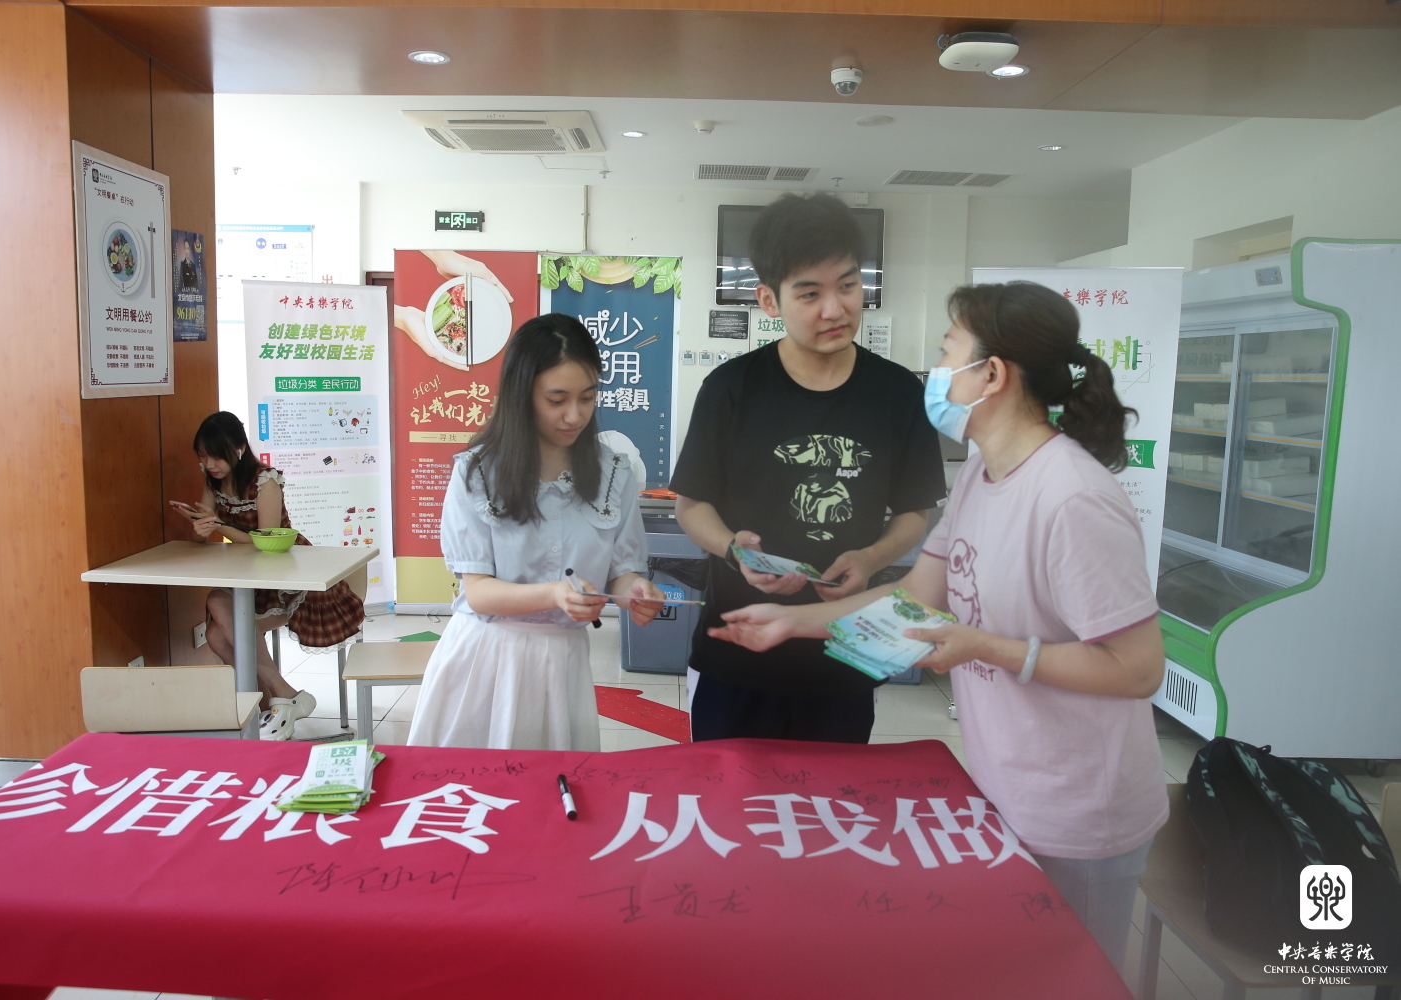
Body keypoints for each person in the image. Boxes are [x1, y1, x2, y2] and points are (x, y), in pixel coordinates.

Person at [710, 280, 1168, 971]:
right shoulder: (982, 477)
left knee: (1073, 978)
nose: (935, 370)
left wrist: (986, 647)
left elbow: (1137, 670)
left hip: (1077, 807)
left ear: (992, 375)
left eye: (948, 351)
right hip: (1003, 783)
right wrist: (789, 621)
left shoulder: (1073, 498)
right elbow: (916, 597)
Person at [670, 193, 946, 744]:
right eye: (810, 293)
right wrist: (733, 549)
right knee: (730, 794)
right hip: (737, 651)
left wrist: (871, 557)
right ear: (769, 299)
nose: (835, 309)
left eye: (848, 285)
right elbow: (691, 504)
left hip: (844, 654)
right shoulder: (730, 389)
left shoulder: (896, 393)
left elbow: (916, 511)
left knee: (833, 795)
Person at [407, 313, 665, 751]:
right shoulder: (478, 473)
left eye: (587, 398)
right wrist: (554, 594)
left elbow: (621, 572)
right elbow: (479, 593)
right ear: (522, 395)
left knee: (554, 785)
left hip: (563, 662)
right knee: (472, 785)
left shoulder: (613, 474)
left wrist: (635, 591)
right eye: (557, 399)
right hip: (486, 659)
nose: (575, 415)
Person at [176, 412, 367, 740]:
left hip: (287, 571)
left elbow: (265, 540)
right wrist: (200, 526)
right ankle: (279, 702)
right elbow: (201, 539)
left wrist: (218, 525)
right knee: (216, 634)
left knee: (218, 611)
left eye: (216, 456)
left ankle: (277, 704)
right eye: (203, 456)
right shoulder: (212, 480)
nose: (209, 464)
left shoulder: (265, 480)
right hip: (248, 573)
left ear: (239, 448)